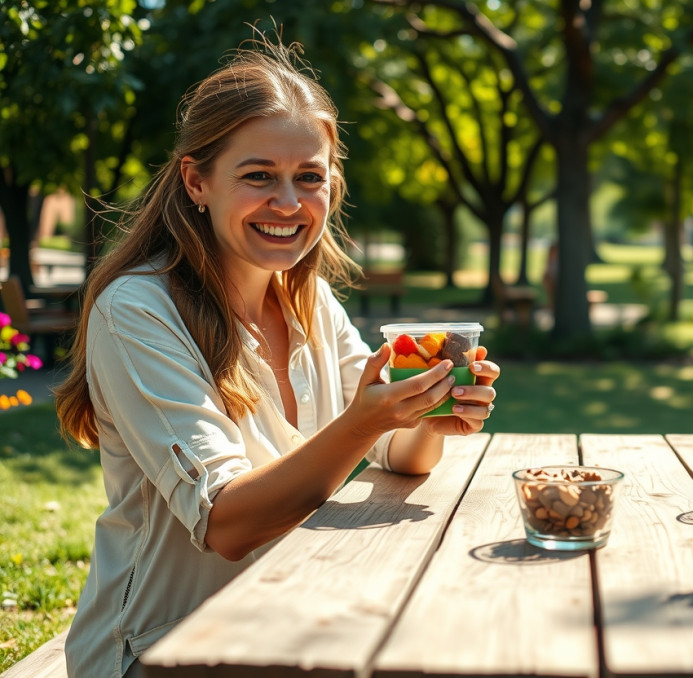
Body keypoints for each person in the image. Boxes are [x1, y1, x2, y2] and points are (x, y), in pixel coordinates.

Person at [53, 37, 500, 677]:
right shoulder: (137, 313)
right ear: (196, 181)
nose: (288, 203)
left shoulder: (308, 300)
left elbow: (395, 454)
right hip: (158, 651)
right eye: (258, 175)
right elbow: (228, 524)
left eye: (309, 177)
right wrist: (368, 421)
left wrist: (427, 411)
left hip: (288, 626)